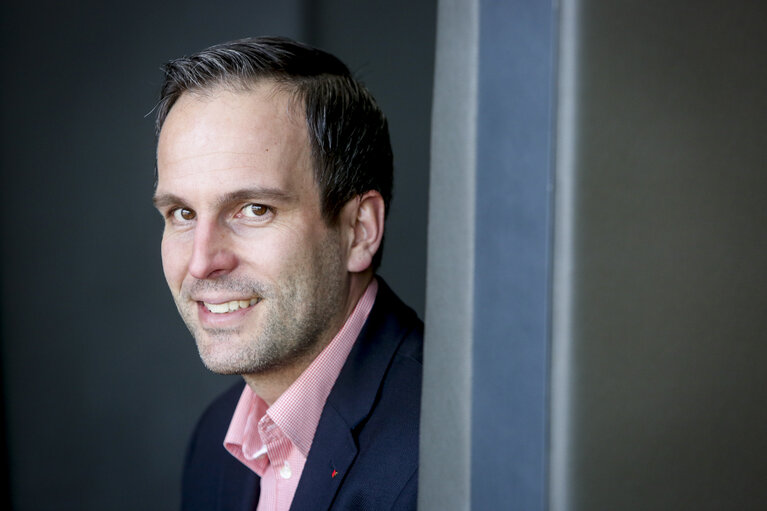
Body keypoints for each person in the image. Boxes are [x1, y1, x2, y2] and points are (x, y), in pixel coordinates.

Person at [152, 36, 423, 510]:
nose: (201, 262)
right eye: (182, 214)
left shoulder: (448, 451)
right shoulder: (214, 443)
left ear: (358, 231)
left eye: (254, 209)